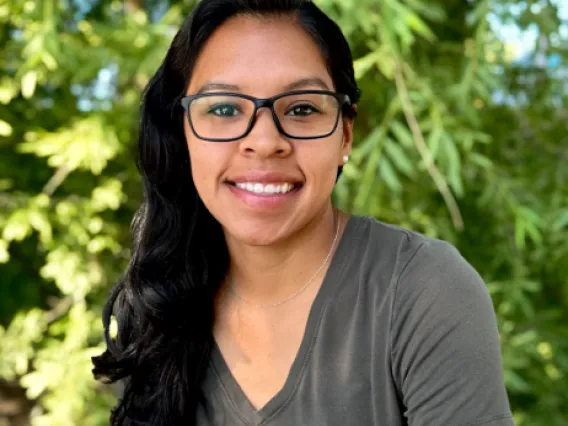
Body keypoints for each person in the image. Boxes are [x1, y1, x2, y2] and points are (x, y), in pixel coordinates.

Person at [92, 0, 515, 425]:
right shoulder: (157, 313)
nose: (264, 141)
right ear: (182, 133)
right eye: (223, 108)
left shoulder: (422, 291)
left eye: (301, 109)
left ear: (346, 134)